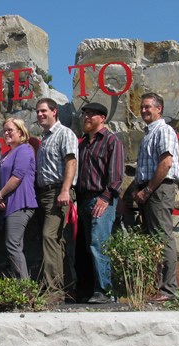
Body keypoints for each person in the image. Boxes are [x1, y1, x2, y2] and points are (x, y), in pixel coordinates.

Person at [132, 92, 179, 302]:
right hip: (150, 190)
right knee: (153, 239)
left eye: (148, 107)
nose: (144, 110)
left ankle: (168, 290)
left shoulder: (164, 130)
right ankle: (158, 288)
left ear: (159, 108)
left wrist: (148, 190)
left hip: (159, 189)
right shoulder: (149, 133)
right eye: (142, 107)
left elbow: (166, 163)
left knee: (162, 236)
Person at [76, 103, 125, 304]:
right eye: (85, 114)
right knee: (89, 247)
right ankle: (93, 289)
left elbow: (116, 176)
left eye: (91, 115)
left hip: (101, 200)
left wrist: (106, 198)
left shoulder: (112, 141)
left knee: (100, 244)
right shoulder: (83, 144)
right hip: (84, 200)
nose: (86, 117)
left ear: (102, 118)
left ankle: (105, 291)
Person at [35, 98, 78, 292]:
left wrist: (65, 190)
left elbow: (71, 162)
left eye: (44, 111)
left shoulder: (64, 133)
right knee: (57, 241)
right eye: (38, 112)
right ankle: (67, 289)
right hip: (45, 194)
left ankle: (53, 291)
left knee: (49, 236)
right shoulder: (45, 138)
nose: (40, 114)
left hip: (59, 193)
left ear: (55, 112)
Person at [0, 117, 38, 280]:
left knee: (12, 244)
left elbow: (17, 177)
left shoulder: (25, 149)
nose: (6, 133)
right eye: (4, 130)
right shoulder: (6, 153)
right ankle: (21, 286)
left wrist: (0, 195)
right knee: (15, 245)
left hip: (21, 203)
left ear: (20, 131)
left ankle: (23, 288)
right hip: (8, 204)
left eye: (10, 130)